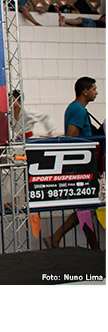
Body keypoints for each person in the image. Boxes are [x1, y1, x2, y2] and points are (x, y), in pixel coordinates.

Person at [44, 77, 101, 249]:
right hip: (82, 165)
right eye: (94, 89)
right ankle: (56, 236)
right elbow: (72, 135)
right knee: (84, 207)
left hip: (82, 163)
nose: (96, 92)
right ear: (85, 91)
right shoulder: (78, 110)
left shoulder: (76, 108)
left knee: (84, 208)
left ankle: (93, 247)